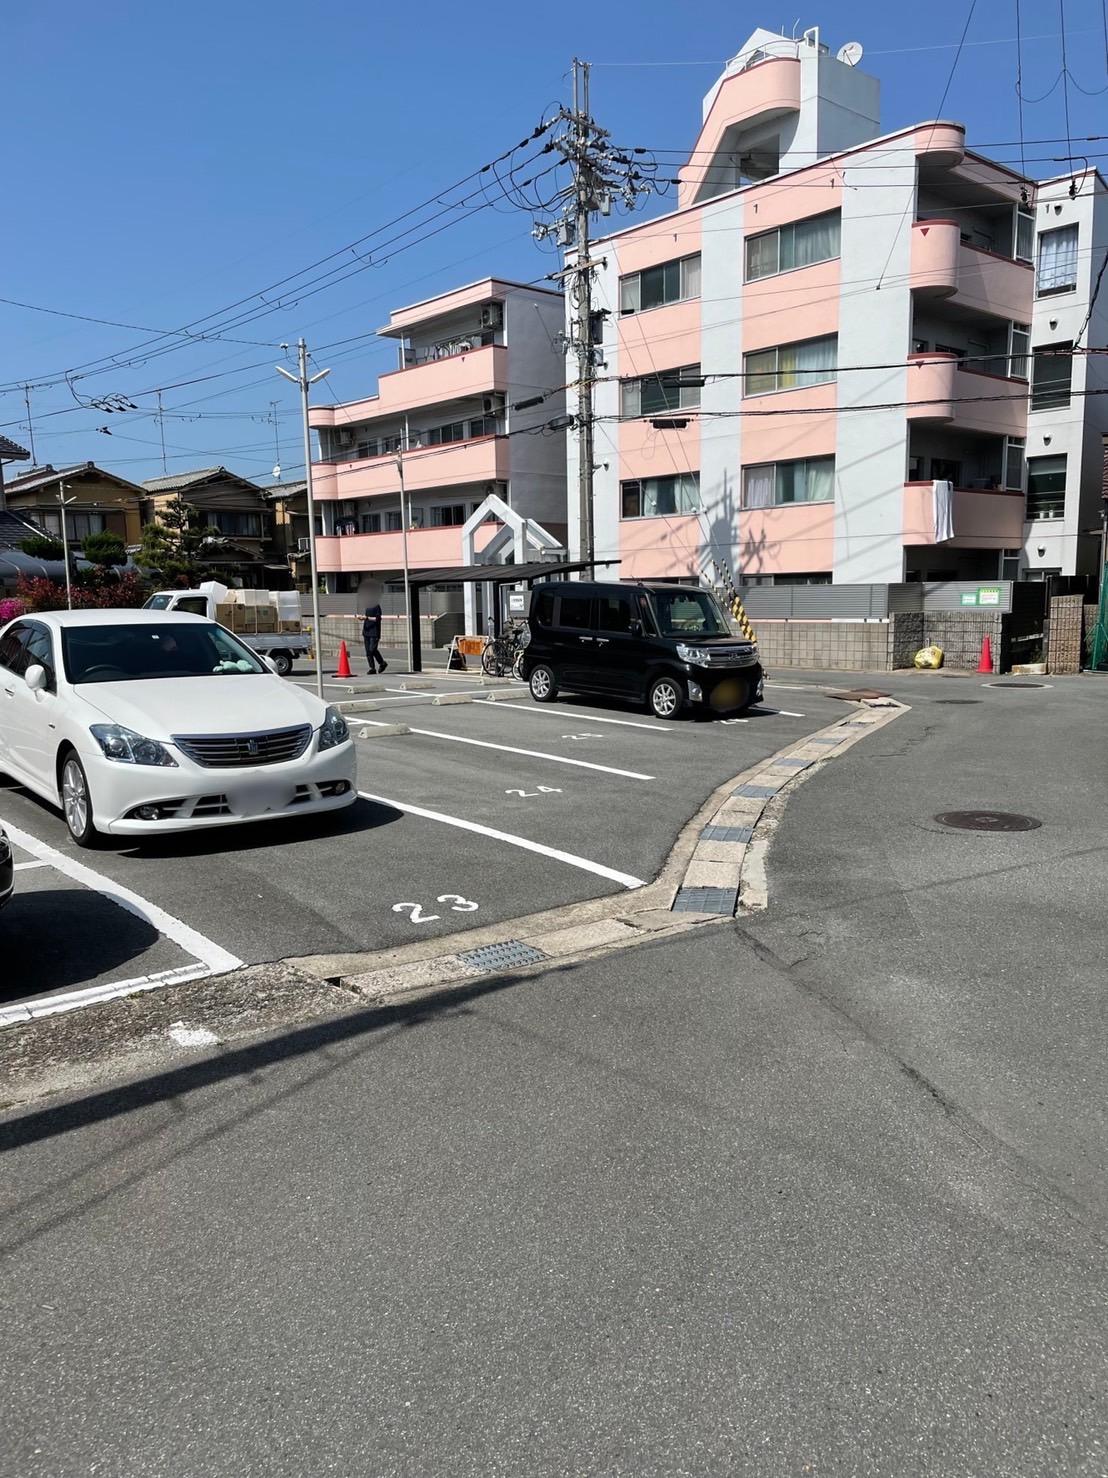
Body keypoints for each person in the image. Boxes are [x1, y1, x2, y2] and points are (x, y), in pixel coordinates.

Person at [362, 603, 387, 674]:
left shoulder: (376, 606)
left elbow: (378, 619)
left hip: (374, 632)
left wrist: (367, 618)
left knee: (372, 649)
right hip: (366, 631)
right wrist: (363, 618)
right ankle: (372, 668)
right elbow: (366, 617)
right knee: (368, 652)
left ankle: (382, 663)